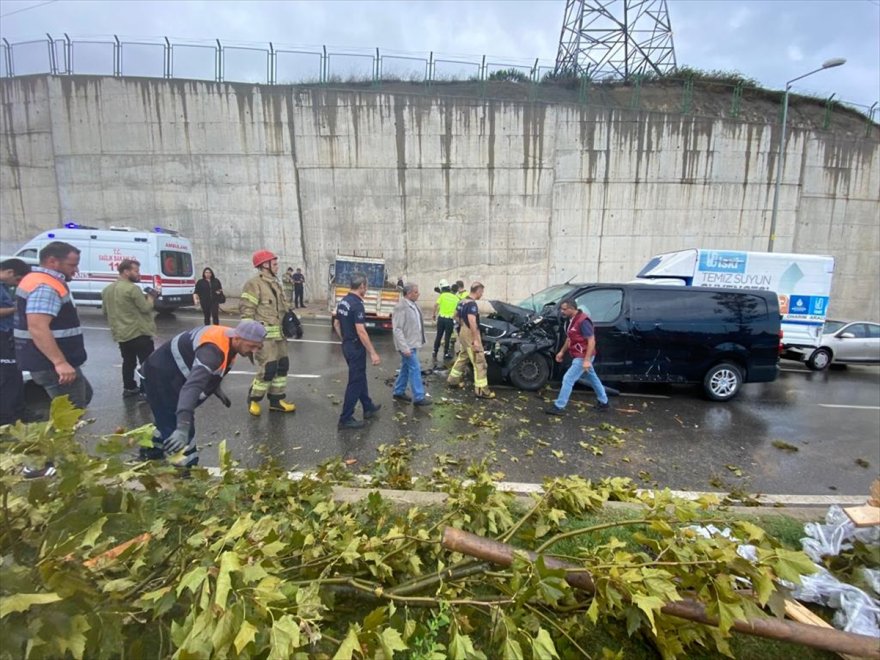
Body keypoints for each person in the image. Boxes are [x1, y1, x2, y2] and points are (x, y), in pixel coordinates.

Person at [140, 320, 266, 467]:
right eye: (251, 346)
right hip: (160, 378)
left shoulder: (228, 337)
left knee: (166, 421)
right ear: (237, 338)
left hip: (168, 373)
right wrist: (183, 427)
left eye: (258, 347)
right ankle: (186, 473)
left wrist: (214, 386)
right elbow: (191, 388)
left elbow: (212, 369)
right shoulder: (212, 352)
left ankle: (149, 454)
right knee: (179, 430)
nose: (254, 351)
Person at [14, 241, 92, 410]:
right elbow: (37, 327)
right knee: (71, 414)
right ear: (52, 261)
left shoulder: (38, 280)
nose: (76, 270)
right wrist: (59, 363)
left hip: (48, 361)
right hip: (51, 364)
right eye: (72, 265)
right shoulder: (45, 286)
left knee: (84, 395)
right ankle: (62, 435)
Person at [240, 250, 296, 415]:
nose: (277, 266)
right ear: (265, 265)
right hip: (264, 339)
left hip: (280, 336)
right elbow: (247, 312)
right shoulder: (254, 284)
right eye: (275, 263)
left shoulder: (276, 283)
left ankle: (276, 401)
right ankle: (254, 399)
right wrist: (250, 339)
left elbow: (283, 308)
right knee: (268, 369)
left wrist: (292, 320)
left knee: (282, 367)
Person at [101, 259, 158, 397]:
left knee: (128, 361)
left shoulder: (107, 290)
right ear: (126, 272)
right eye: (136, 271)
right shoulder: (133, 289)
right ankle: (146, 390)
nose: (138, 274)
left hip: (121, 333)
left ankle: (129, 387)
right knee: (146, 362)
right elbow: (145, 308)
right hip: (139, 332)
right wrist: (151, 297)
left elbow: (104, 311)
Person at [333, 273, 382, 429]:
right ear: (361, 286)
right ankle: (345, 418)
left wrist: (345, 339)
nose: (366, 289)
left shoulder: (343, 301)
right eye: (366, 286)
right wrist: (373, 352)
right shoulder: (357, 304)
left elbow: (336, 324)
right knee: (355, 382)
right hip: (355, 347)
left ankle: (368, 407)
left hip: (347, 345)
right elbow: (361, 331)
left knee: (360, 377)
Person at [545, 299, 609, 415]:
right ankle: (604, 402)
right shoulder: (571, 320)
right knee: (592, 378)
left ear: (572, 308)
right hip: (580, 356)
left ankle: (559, 406)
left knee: (568, 379)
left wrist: (586, 360)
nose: (562, 311)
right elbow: (570, 338)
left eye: (564, 309)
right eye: (561, 309)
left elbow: (591, 341)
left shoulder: (583, 321)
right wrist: (561, 352)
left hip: (583, 356)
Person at [446, 282, 495, 399]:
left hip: (463, 332)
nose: (482, 294)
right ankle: (481, 390)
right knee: (479, 361)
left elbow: (455, 316)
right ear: (477, 291)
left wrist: (462, 324)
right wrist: (476, 340)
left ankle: (452, 380)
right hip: (470, 334)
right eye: (482, 292)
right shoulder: (472, 304)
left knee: (463, 356)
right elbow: (472, 322)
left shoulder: (462, 301)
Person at [0, 258, 31, 425]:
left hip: (8, 335)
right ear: (9, 272)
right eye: (18, 279)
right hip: (2, 336)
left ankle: (18, 413)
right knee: (8, 377)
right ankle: (7, 417)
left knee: (15, 375)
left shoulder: (5, 287)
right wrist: (16, 308)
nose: (17, 283)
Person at [392, 283, 432, 406]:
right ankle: (419, 397)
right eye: (416, 292)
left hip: (413, 344)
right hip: (407, 346)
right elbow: (397, 329)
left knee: (405, 368)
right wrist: (404, 348)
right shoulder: (401, 307)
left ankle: (398, 391)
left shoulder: (414, 305)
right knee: (415, 368)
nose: (418, 294)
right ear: (409, 294)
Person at [431, 279, 458, 364]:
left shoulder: (442, 296)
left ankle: (435, 351)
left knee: (439, 335)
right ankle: (446, 353)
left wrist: (434, 315)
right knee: (447, 337)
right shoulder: (456, 298)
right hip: (449, 320)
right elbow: (457, 311)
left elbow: (435, 305)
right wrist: (455, 319)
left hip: (441, 319)